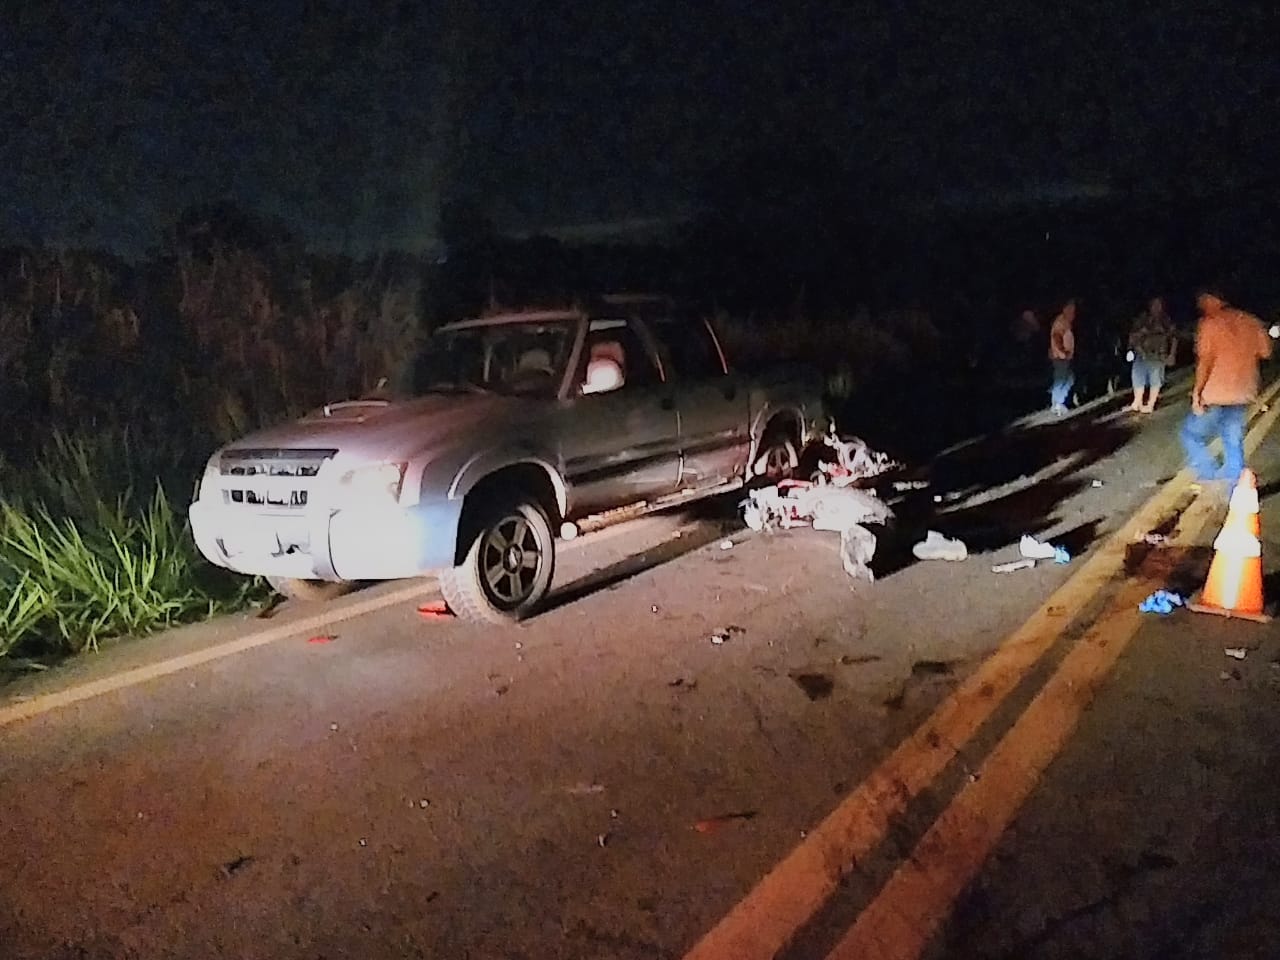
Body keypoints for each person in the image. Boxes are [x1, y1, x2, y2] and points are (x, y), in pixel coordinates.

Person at [1180, 291, 1272, 488]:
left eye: (1203, 300)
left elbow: (1205, 361)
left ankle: (1208, 472)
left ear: (1214, 299)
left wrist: (1197, 393)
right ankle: (1235, 488)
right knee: (1232, 439)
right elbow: (1266, 351)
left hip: (1216, 393)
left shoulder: (1209, 323)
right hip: (1243, 391)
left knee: (1191, 434)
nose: (1200, 305)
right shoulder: (1251, 321)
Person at [1127, 297, 1177, 412]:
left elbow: (1174, 338)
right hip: (1141, 353)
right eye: (1154, 304)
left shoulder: (1165, 320)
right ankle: (1137, 401)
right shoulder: (1142, 319)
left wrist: (1171, 354)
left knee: (1155, 379)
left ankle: (1151, 403)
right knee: (1138, 377)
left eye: (1159, 304)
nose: (1156, 307)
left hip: (1158, 354)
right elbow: (1133, 336)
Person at [1048, 299, 1076, 415]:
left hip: (1065, 355)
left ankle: (1058, 401)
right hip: (1060, 356)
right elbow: (1056, 337)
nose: (1073, 312)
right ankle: (1057, 403)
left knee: (1069, 377)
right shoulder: (1061, 322)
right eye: (1071, 309)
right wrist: (1061, 352)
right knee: (1061, 379)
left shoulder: (1066, 321)